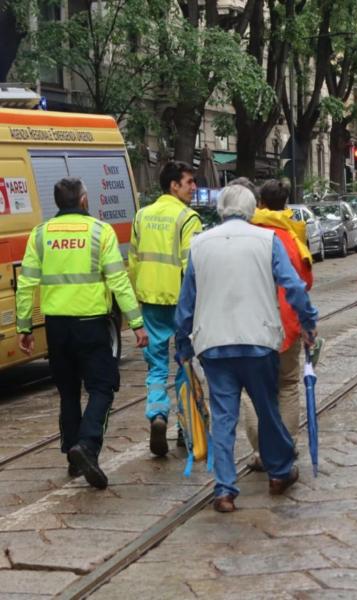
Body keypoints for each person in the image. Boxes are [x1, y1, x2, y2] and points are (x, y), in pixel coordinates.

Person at [175, 184, 318, 513]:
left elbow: (186, 302)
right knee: (267, 409)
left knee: (224, 417)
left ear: (221, 209)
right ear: (253, 208)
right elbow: (293, 286)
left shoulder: (199, 244)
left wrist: (182, 343)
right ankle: (279, 472)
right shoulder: (266, 241)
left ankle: (225, 489)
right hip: (258, 339)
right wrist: (307, 322)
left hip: (213, 343)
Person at [16, 177, 148, 489]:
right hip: (91, 325)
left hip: (57, 327)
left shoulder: (40, 235)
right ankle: (87, 446)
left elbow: (26, 285)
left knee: (68, 390)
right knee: (102, 387)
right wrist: (137, 322)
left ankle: (72, 455)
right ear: (84, 200)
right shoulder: (100, 232)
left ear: (58, 202)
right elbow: (119, 281)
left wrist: (24, 326)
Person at [129, 161, 202, 457]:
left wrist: (138, 298)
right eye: (189, 182)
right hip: (180, 304)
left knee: (156, 365)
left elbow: (133, 262)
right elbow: (192, 267)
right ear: (174, 185)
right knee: (185, 364)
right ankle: (185, 431)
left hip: (150, 302)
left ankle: (158, 415)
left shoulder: (142, 216)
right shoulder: (188, 218)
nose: (194, 187)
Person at [243, 178, 313, 471]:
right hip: (287, 323)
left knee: (252, 389)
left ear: (259, 204)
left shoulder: (247, 234)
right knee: (287, 385)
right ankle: (286, 446)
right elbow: (305, 282)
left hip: (251, 323)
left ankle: (261, 451)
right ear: (285, 204)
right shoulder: (293, 236)